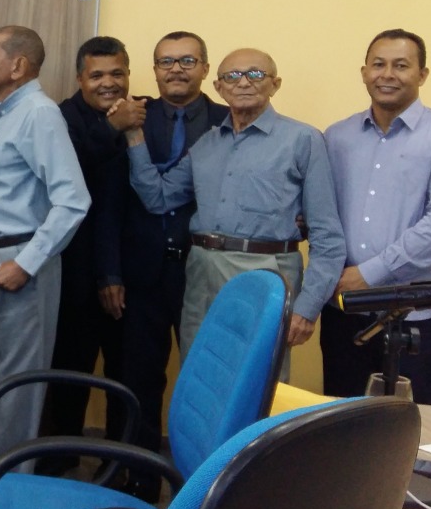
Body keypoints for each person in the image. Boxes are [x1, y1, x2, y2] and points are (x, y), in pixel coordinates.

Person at [120, 48, 345, 361]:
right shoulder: (206, 144)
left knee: (254, 379)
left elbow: (327, 236)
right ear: (218, 87)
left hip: (265, 272)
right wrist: (134, 135)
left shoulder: (303, 139)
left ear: (275, 84)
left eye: (255, 74)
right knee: (199, 372)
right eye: (232, 76)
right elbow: (157, 198)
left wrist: (307, 307)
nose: (243, 82)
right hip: (201, 271)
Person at [100, 31, 227, 501]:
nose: (176, 69)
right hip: (140, 273)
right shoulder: (131, 117)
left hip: (205, 272)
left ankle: (206, 485)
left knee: (207, 380)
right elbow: (109, 204)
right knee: (138, 379)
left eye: (187, 61)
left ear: (205, 68)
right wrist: (110, 272)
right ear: (153, 70)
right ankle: (139, 480)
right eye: (166, 61)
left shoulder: (229, 120)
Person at [321, 29, 431, 403]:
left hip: (416, 317)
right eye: (378, 64)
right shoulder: (336, 137)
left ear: (422, 75)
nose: (387, 74)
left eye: (401, 65)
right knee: (340, 424)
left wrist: (368, 275)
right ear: (364, 72)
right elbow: (322, 214)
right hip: (344, 313)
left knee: (407, 429)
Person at [0, 25, 89, 469]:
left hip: (18, 261)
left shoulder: (39, 113)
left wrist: (26, 263)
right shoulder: (3, 114)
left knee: (14, 390)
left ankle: (9, 486)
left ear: (17, 65)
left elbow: (73, 201)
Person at [43, 36, 131, 474]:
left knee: (126, 375)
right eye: (97, 75)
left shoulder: (138, 114)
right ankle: (58, 463)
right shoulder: (61, 117)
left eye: (117, 73)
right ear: (80, 78)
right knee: (69, 372)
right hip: (75, 272)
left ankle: (118, 467)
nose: (108, 83)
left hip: (130, 270)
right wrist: (112, 129)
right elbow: (70, 171)